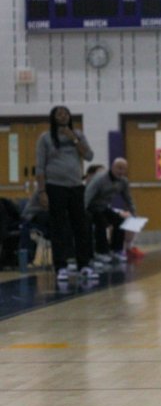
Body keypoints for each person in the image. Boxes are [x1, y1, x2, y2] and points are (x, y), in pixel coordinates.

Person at [35, 105, 97, 281]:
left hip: (76, 186)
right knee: (59, 227)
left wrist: (75, 140)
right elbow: (40, 166)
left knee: (81, 226)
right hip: (55, 187)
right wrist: (42, 191)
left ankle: (84, 265)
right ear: (53, 118)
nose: (62, 116)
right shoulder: (45, 138)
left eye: (65, 113)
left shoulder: (78, 134)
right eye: (58, 114)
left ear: (70, 116)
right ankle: (61, 266)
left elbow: (89, 156)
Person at [84, 158, 136, 263]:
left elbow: (128, 198)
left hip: (104, 207)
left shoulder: (123, 181)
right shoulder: (100, 179)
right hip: (92, 207)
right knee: (101, 222)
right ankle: (101, 252)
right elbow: (87, 195)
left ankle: (116, 250)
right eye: (119, 168)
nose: (121, 171)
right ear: (112, 167)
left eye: (123, 169)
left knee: (120, 221)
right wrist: (81, 211)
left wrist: (134, 213)